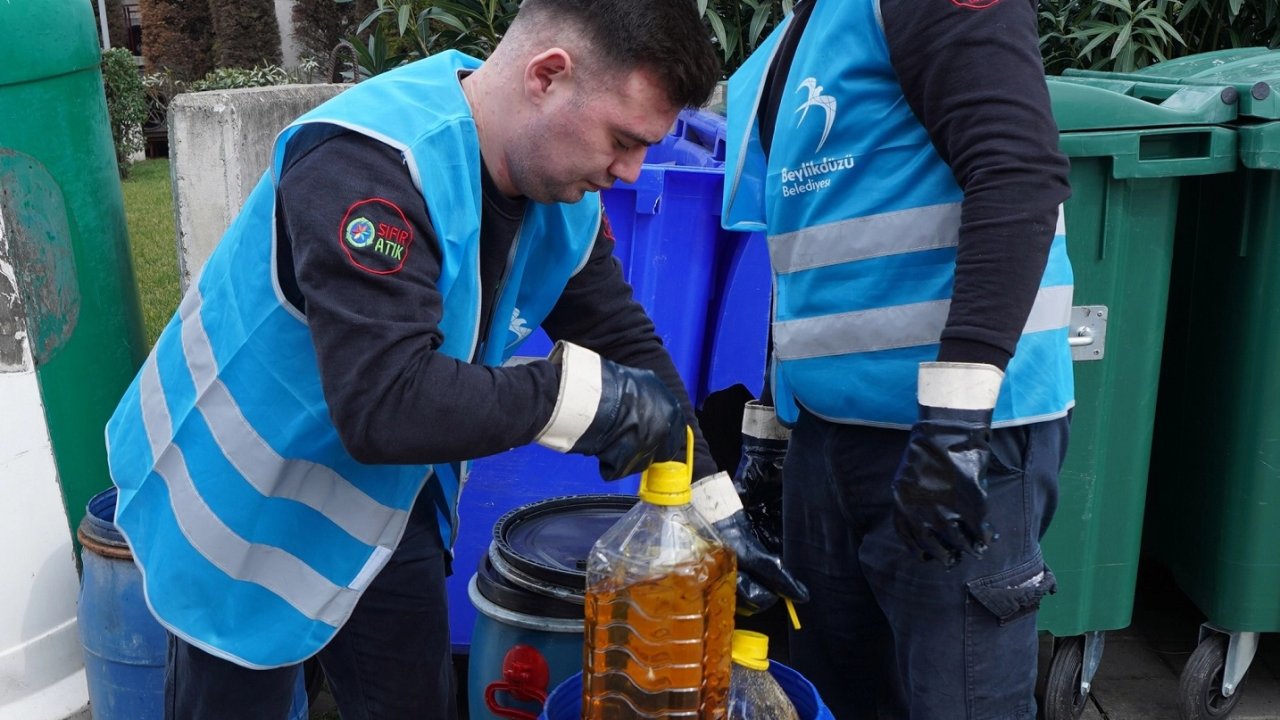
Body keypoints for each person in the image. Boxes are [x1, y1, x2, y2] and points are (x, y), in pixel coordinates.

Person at [104, 2, 801, 718]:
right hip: (242, 504)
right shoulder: (367, 165)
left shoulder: (556, 191)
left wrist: (716, 510)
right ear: (548, 75)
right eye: (624, 140)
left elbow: (625, 342)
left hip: (381, 502)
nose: (630, 172)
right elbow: (384, 404)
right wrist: (578, 399)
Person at [722, 0, 1075, 717]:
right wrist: (767, 438)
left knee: (959, 701)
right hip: (826, 439)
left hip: (956, 443)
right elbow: (800, 263)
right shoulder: (799, 36)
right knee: (836, 691)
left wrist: (953, 423)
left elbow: (1017, 172)